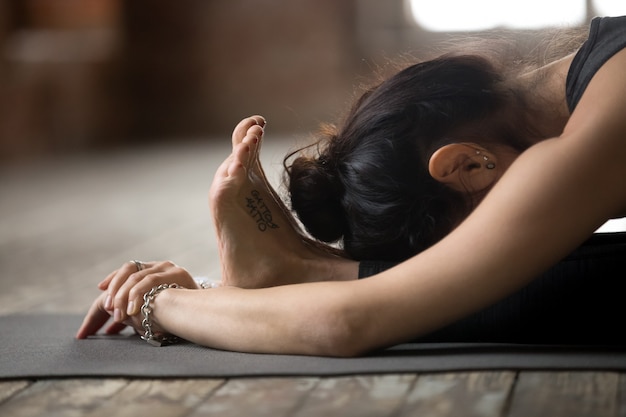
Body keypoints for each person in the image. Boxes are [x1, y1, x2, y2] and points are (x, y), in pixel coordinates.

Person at [77, 16, 626, 356]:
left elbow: (351, 322)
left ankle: (308, 271)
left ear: (464, 166)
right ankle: (306, 271)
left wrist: (163, 304)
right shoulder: (595, 74)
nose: (494, 244)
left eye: (460, 240)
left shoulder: (602, 123)